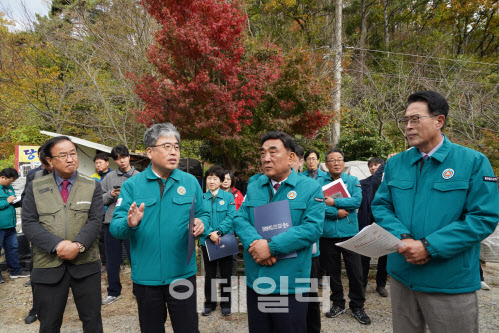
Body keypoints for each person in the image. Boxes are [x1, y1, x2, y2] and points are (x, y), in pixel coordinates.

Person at [372, 90, 499, 333]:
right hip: (403, 275)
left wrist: (429, 246)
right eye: (406, 120)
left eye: (415, 119)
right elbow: (381, 206)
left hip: (449, 280)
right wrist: (404, 238)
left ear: (439, 121)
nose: (408, 126)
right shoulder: (397, 163)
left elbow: (483, 218)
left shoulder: (472, 161)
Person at [110, 123, 208, 333]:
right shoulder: (132, 186)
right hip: (147, 277)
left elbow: (204, 214)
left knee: (188, 328)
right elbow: (116, 228)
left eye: (177, 147)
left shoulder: (190, 182)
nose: (173, 152)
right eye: (166, 146)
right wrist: (130, 223)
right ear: (150, 152)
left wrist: (203, 224)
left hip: (182, 273)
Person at [233, 131, 325, 333]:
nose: (266, 158)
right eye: (263, 153)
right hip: (257, 279)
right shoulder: (255, 186)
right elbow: (240, 218)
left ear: (291, 157)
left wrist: (271, 247)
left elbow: (312, 228)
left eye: (273, 152)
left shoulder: (310, 188)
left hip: (291, 283)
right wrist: (256, 243)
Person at [22, 136, 104, 333]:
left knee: (92, 322)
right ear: (50, 160)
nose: (70, 159)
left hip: (86, 265)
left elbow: (95, 220)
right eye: (63, 155)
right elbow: (29, 223)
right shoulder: (36, 186)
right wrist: (58, 245)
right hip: (47, 265)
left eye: (73, 153)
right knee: (49, 324)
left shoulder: (92, 185)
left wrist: (78, 246)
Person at [319, 149, 371, 325]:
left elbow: (357, 201)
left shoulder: (352, 180)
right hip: (328, 234)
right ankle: (338, 303)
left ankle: (357, 306)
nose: (336, 163)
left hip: (350, 233)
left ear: (344, 162)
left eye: (339, 159)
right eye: (332, 160)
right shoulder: (318, 182)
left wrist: (334, 202)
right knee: (332, 272)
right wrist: (335, 212)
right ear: (326, 164)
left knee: (355, 272)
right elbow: (317, 205)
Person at [100, 145, 139, 305]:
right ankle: (114, 292)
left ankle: (139, 290)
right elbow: (100, 199)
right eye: (117, 158)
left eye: (123, 157)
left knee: (136, 258)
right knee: (112, 260)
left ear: (129, 157)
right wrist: (111, 194)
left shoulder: (139, 176)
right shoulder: (109, 178)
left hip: (133, 223)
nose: (121, 161)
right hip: (112, 222)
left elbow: (145, 199)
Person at [22, 147, 54, 325]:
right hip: (41, 234)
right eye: (45, 162)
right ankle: (36, 307)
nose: (48, 165)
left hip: (64, 233)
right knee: (37, 273)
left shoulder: (69, 176)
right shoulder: (34, 176)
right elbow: (26, 199)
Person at [200, 165, 236, 317]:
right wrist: (210, 233)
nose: (211, 181)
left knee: (226, 274)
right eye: (209, 177)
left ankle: (226, 304)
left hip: (224, 240)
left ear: (221, 181)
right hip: (207, 242)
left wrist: (219, 231)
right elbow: (200, 217)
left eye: (215, 178)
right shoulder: (202, 198)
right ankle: (210, 303)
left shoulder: (228, 197)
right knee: (210, 274)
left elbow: (231, 216)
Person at [358, 157, 388, 297]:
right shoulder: (362, 184)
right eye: (370, 166)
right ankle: (362, 284)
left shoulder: (389, 183)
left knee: (385, 257)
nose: (373, 168)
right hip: (367, 223)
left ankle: (381, 285)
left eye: (376, 165)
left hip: (385, 225)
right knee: (364, 256)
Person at [0, 168, 30, 283]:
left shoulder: (9, 188)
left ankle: (15, 271)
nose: (11, 184)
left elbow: (12, 203)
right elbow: (5, 203)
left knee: (12, 248)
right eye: (10, 181)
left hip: (10, 225)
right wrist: (6, 201)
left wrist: (17, 201)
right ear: (3, 177)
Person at [90, 153, 112, 275]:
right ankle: (104, 263)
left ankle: (118, 262)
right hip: (99, 212)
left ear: (107, 163)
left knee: (116, 238)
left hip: (113, 212)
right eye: (96, 163)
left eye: (100, 162)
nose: (98, 165)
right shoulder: (92, 177)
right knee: (102, 239)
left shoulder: (113, 175)